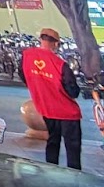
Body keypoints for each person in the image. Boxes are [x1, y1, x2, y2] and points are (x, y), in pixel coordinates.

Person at [21, 26, 82, 170]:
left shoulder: (26, 56)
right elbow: (73, 91)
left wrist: (39, 87)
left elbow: (24, 76)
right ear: (56, 43)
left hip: (46, 109)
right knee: (72, 147)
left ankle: (50, 170)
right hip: (67, 113)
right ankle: (75, 175)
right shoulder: (60, 64)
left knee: (52, 141)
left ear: (40, 39)